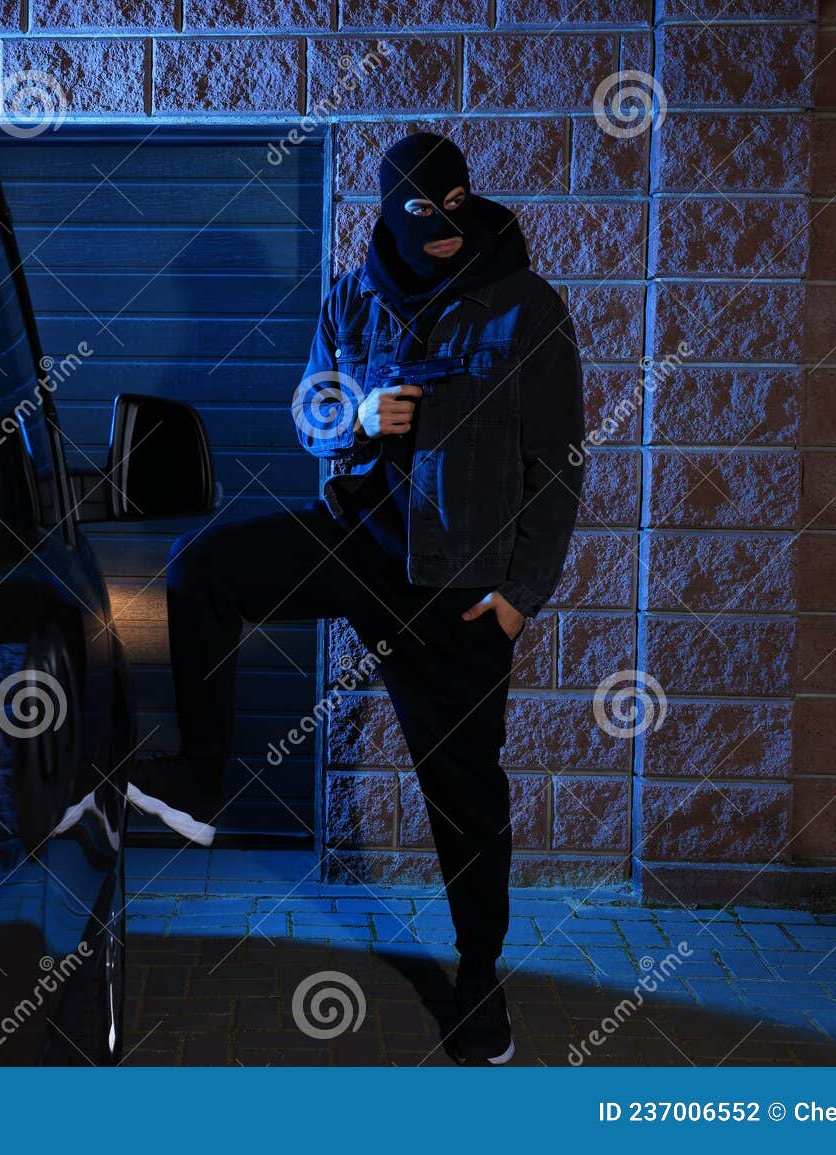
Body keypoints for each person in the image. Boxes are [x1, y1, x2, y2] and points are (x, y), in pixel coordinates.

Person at [125, 132, 584, 1065]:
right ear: (388, 211)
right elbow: (311, 412)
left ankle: (480, 981)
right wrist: (361, 414)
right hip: (353, 541)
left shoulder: (527, 309)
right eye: (420, 212)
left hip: (455, 590)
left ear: (469, 198)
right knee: (201, 565)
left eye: (455, 206)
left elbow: (560, 465)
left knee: (464, 798)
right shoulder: (353, 294)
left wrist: (517, 597)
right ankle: (199, 779)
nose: (441, 228)